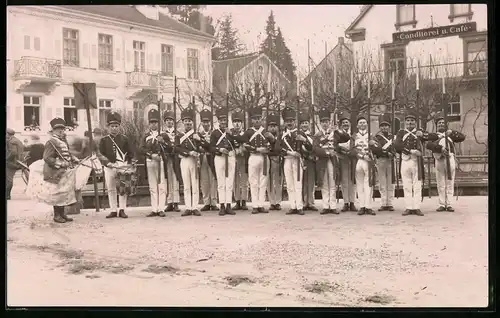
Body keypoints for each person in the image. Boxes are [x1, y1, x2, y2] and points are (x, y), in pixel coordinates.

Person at [426, 110, 466, 212]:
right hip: (439, 160)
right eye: (439, 123)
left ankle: (449, 204)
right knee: (440, 183)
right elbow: (428, 145)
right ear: (436, 125)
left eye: (443, 123)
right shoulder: (434, 135)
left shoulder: (450, 134)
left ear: (446, 125)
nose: (441, 125)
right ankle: (442, 204)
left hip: (450, 159)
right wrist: (440, 149)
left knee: (449, 182)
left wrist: (452, 132)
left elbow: (462, 137)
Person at [42, 118, 80, 223]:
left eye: (62, 129)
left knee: (64, 193)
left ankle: (62, 214)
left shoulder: (63, 141)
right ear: (53, 130)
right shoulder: (51, 142)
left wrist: (73, 158)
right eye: (58, 129)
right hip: (56, 171)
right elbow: (47, 158)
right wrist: (61, 164)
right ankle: (56, 215)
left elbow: (66, 154)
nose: (60, 131)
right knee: (57, 193)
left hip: (65, 171)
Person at [98, 111, 135, 219]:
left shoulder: (124, 139)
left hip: (121, 167)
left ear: (119, 126)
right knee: (111, 188)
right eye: (112, 126)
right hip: (109, 167)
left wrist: (131, 160)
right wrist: (107, 163)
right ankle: (113, 209)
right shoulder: (104, 140)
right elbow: (100, 154)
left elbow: (131, 152)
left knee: (122, 188)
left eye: (116, 126)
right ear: (108, 127)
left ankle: (122, 209)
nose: (114, 128)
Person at [313, 107, 350, 214]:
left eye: (327, 122)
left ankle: (333, 206)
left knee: (332, 183)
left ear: (329, 122)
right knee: (324, 183)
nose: (325, 124)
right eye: (323, 122)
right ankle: (325, 205)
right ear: (320, 123)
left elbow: (347, 138)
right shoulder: (318, 135)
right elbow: (315, 149)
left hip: (333, 160)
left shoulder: (335, 133)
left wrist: (337, 130)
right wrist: (327, 153)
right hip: (323, 160)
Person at [394, 108, 430, 216]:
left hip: (416, 162)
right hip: (405, 160)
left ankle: (417, 207)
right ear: (405, 122)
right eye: (408, 121)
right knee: (406, 184)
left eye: (412, 121)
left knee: (417, 184)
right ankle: (409, 207)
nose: (410, 122)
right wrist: (410, 151)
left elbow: (431, 137)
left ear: (415, 122)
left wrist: (422, 135)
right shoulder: (401, 132)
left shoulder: (419, 132)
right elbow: (397, 145)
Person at [241, 106, 274, 214]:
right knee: (253, 181)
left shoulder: (266, 132)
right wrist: (256, 149)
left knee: (263, 181)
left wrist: (271, 141)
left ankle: (261, 204)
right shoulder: (248, 132)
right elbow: (245, 145)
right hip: (253, 157)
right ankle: (254, 205)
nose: (257, 120)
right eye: (255, 118)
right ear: (251, 120)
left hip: (264, 158)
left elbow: (273, 146)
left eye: (259, 118)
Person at [279, 106, 306, 215]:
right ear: (284, 122)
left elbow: (309, 147)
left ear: (295, 121)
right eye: (287, 121)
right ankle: (293, 206)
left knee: (298, 184)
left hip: (297, 160)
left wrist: (303, 140)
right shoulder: (282, 135)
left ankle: (299, 206)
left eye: (291, 121)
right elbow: (277, 148)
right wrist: (290, 152)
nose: (289, 123)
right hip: (287, 159)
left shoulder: (300, 133)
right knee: (289, 184)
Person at [210, 108, 237, 216]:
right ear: (218, 121)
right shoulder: (215, 133)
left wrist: (231, 134)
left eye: (225, 120)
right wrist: (219, 149)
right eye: (221, 120)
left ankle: (229, 205)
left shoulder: (231, 132)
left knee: (229, 182)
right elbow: (211, 147)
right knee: (221, 183)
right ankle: (222, 205)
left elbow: (236, 144)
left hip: (230, 157)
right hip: (220, 157)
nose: (223, 122)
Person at [176, 107, 202, 216]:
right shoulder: (180, 135)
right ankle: (188, 207)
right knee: (186, 185)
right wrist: (189, 152)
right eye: (186, 121)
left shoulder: (196, 135)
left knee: (195, 184)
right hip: (185, 160)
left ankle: (195, 207)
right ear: (183, 123)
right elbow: (177, 148)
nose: (188, 123)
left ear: (192, 122)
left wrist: (199, 140)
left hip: (194, 161)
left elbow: (203, 147)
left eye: (190, 121)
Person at [143, 108, 169, 217]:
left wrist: (162, 141)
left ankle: (161, 208)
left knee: (161, 186)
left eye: (155, 122)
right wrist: (151, 155)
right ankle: (154, 209)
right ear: (149, 124)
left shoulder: (163, 135)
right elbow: (141, 149)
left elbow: (170, 148)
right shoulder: (146, 136)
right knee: (152, 186)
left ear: (159, 123)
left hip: (161, 162)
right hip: (150, 161)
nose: (154, 125)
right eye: (152, 122)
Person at [371, 113, 396, 212]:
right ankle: (383, 203)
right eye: (382, 126)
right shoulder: (376, 137)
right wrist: (385, 152)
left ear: (389, 127)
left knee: (390, 182)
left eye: (386, 125)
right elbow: (375, 149)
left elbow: (395, 148)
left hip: (390, 161)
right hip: (381, 160)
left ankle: (389, 203)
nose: (384, 128)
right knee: (382, 182)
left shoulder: (392, 137)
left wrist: (392, 154)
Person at [353, 113, 376, 215]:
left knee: (368, 184)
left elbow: (377, 148)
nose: (362, 124)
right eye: (360, 123)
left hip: (368, 161)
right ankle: (362, 206)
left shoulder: (371, 135)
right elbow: (351, 150)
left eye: (364, 122)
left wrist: (373, 144)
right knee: (359, 185)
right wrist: (361, 156)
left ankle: (368, 206)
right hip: (358, 161)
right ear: (357, 125)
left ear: (367, 124)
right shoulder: (354, 136)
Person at [334, 111, 357, 212]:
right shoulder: (337, 133)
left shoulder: (354, 134)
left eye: (347, 122)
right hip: (343, 159)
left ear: (350, 124)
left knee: (353, 181)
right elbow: (335, 145)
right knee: (344, 181)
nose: (345, 124)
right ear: (340, 124)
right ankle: (346, 202)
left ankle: (352, 202)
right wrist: (341, 148)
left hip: (353, 159)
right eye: (343, 123)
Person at [198, 109, 218, 212]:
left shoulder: (214, 133)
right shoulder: (198, 134)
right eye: (204, 122)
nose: (206, 124)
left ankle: (213, 202)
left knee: (213, 180)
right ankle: (206, 202)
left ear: (210, 122)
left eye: (207, 122)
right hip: (202, 158)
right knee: (204, 181)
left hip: (211, 157)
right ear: (201, 123)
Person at [298, 110, 318, 212]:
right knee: (302, 182)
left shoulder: (312, 137)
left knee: (310, 181)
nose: (304, 125)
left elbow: (314, 148)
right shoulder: (297, 135)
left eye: (306, 123)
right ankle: (303, 202)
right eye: (302, 123)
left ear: (309, 124)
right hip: (301, 160)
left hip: (310, 161)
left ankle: (310, 202)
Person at [162, 110, 181, 212]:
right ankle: (169, 202)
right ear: (165, 122)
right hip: (166, 158)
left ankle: (176, 201)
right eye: (167, 120)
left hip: (176, 158)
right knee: (168, 179)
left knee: (175, 179)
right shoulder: (162, 133)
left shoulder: (177, 133)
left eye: (171, 120)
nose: (169, 122)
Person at [231, 108, 249, 211]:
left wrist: (243, 148)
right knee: (235, 180)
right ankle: (237, 200)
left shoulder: (245, 133)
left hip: (244, 158)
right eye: (235, 122)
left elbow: (247, 144)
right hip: (234, 158)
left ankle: (244, 201)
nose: (237, 124)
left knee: (244, 180)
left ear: (242, 123)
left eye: (239, 122)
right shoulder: (231, 133)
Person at [267, 111, 283, 211]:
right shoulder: (266, 136)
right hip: (269, 159)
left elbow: (280, 149)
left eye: (275, 126)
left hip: (278, 159)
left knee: (278, 181)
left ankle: (278, 202)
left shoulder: (281, 136)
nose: (273, 128)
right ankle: (271, 201)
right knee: (269, 181)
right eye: (271, 126)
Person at [6, 128, 24, 200]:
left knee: (9, 179)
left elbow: (13, 152)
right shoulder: (18, 140)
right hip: (18, 162)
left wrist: (6, 158)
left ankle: (7, 195)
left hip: (12, 163)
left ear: (8, 134)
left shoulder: (11, 141)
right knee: (9, 178)